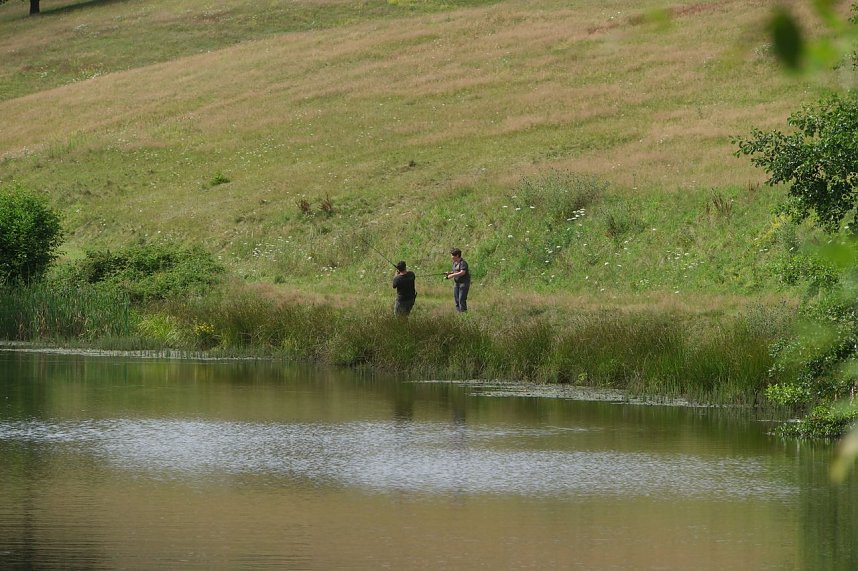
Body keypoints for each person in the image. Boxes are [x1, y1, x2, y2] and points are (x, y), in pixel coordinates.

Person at [445, 248, 470, 312]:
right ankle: (459, 314)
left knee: (461, 300)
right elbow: (455, 271)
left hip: (463, 284)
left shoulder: (463, 263)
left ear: (457, 255)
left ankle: (464, 314)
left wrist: (452, 275)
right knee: (457, 300)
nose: (451, 257)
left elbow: (462, 272)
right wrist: (449, 273)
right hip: (457, 284)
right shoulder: (455, 263)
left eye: (453, 255)